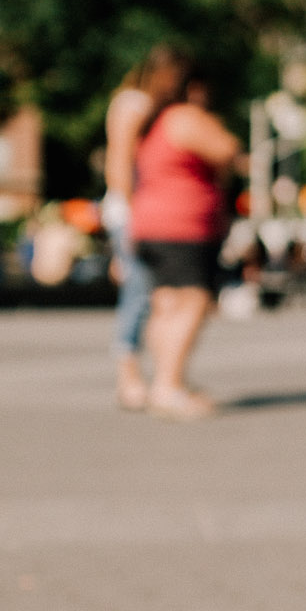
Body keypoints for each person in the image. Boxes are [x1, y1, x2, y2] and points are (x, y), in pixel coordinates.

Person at [128, 66, 240, 420]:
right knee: (193, 301)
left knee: (166, 304)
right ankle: (168, 386)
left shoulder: (155, 121)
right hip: (183, 226)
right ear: (194, 88)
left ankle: (166, 381)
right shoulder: (186, 117)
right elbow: (227, 150)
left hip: (149, 222)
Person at [104, 46, 186, 412]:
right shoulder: (133, 103)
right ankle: (129, 376)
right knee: (138, 293)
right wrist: (132, 215)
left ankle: (163, 376)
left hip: (147, 208)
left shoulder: (150, 106)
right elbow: (120, 161)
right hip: (133, 209)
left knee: (156, 295)